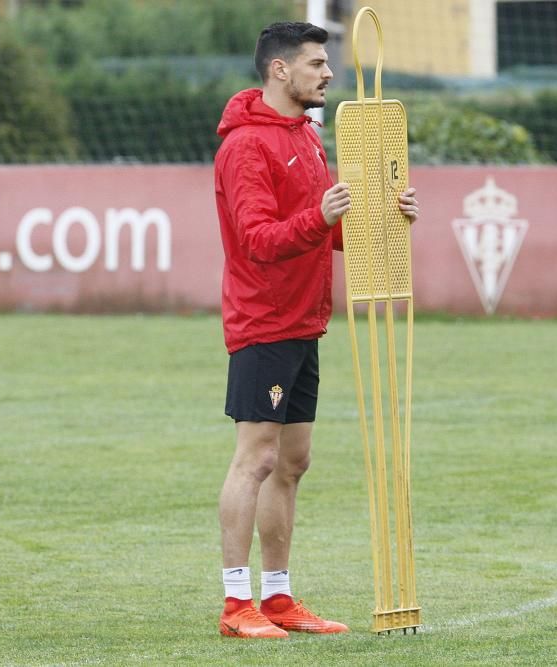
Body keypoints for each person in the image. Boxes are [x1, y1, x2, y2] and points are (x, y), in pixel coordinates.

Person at [213, 22, 419, 639]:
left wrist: (388, 214)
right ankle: (235, 605)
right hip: (263, 322)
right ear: (281, 70)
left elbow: (325, 231)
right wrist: (318, 215)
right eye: (316, 63)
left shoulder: (306, 134)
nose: (328, 73)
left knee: (293, 462)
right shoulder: (246, 147)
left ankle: (278, 598)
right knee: (256, 458)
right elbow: (256, 241)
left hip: (305, 321)